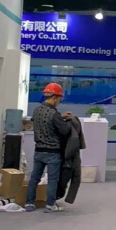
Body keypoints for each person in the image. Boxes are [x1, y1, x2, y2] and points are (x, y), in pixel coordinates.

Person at [25, 83, 73, 213]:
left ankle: (29, 203)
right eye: (60, 98)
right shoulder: (54, 113)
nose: (60, 101)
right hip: (53, 153)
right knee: (53, 180)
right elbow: (64, 130)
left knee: (34, 178)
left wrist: (60, 117)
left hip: (38, 151)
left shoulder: (37, 110)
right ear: (55, 98)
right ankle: (50, 204)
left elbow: (44, 121)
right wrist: (68, 121)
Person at [57, 114, 86, 205]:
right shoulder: (75, 124)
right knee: (76, 177)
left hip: (67, 155)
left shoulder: (65, 127)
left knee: (64, 177)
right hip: (74, 154)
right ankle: (68, 198)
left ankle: (59, 195)